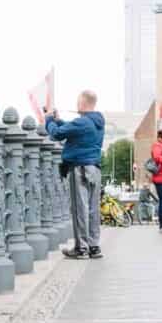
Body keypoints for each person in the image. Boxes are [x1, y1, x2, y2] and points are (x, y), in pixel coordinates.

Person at [46, 91, 107, 259]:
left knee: (80, 209)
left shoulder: (82, 122)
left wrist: (49, 120)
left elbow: (56, 134)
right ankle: (94, 246)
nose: (76, 105)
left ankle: (81, 248)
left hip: (80, 168)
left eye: (77, 101)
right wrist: (59, 120)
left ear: (82, 103)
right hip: (95, 168)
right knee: (93, 209)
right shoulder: (97, 122)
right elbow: (75, 129)